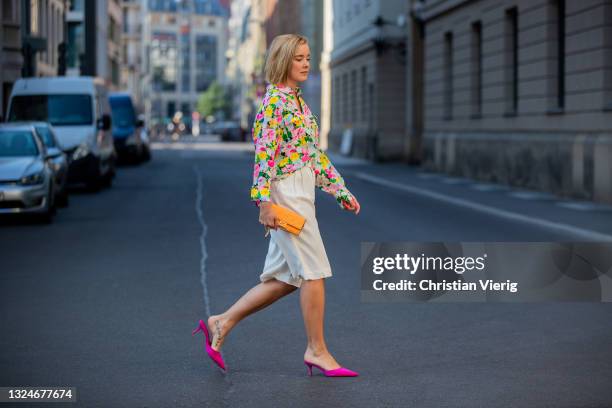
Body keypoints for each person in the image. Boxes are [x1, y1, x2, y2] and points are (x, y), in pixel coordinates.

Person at [192, 34, 361, 377]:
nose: (306, 63)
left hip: (302, 194)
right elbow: (263, 159)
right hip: (285, 197)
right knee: (313, 272)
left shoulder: (298, 103)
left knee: (284, 279)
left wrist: (340, 191)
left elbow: (313, 155)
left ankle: (221, 322)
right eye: (299, 58)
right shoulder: (273, 105)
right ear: (283, 61)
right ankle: (317, 350)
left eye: (308, 57)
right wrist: (264, 203)